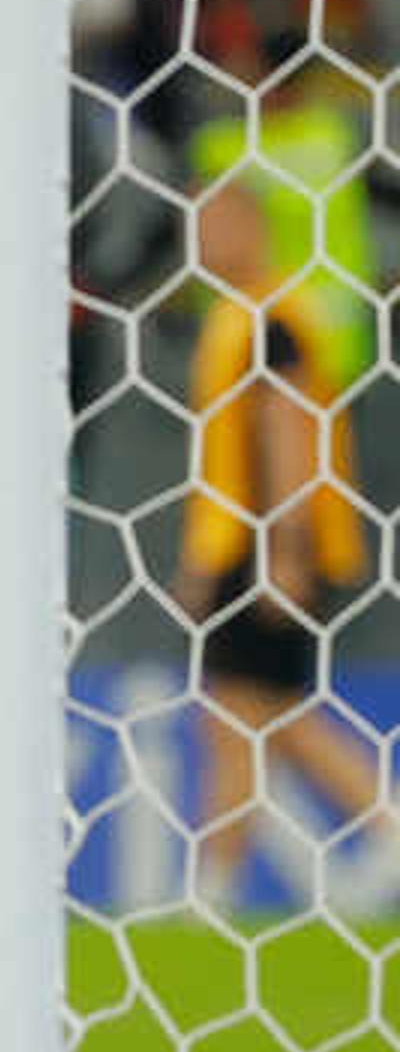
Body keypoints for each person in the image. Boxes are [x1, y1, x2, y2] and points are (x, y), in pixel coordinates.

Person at [177, 181, 383, 902]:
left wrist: (283, 550)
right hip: (242, 544)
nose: (197, 242)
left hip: (270, 545)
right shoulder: (238, 318)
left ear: (247, 225)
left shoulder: (272, 319)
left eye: (209, 224)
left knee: (252, 719)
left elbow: (289, 430)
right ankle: (216, 888)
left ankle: (217, 889)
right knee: (259, 720)